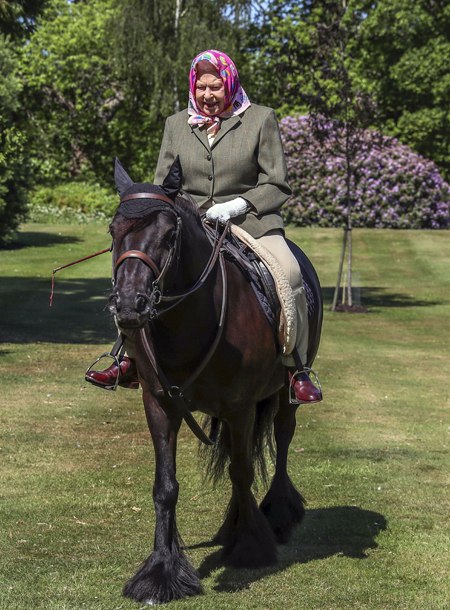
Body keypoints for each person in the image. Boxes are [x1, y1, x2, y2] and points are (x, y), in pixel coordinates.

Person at [86, 49, 321, 404]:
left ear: (230, 84)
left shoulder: (260, 119)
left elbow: (277, 183)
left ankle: (296, 367)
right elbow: (164, 184)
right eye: (202, 88)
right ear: (193, 87)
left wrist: (238, 205)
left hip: (250, 221)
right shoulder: (175, 124)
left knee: (289, 272)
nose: (208, 95)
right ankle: (129, 357)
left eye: (216, 87)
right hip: (189, 223)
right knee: (137, 272)